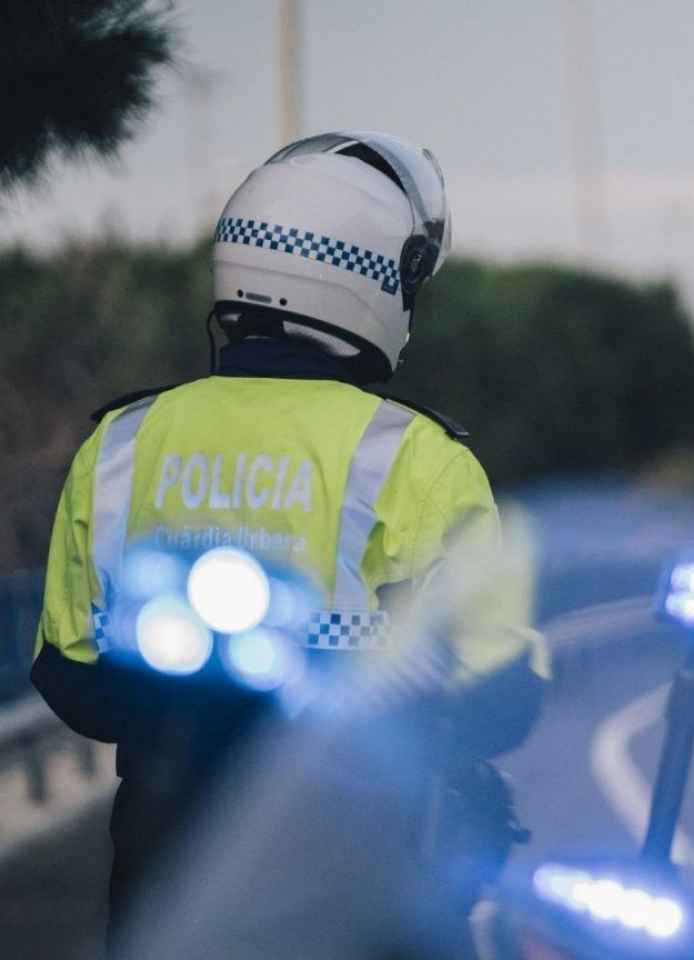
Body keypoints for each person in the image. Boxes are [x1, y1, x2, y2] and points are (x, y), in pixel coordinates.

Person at [29, 131, 548, 950]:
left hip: (166, 873)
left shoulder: (120, 446)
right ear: (374, 276)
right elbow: (501, 697)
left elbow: (71, 679)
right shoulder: (415, 458)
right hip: (348, 873)